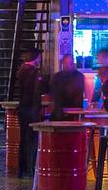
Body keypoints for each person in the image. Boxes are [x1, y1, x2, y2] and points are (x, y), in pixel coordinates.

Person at [15, 46, 44, 180]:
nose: (40, 59)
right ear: (35, 58)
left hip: (22, 108)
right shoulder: (34, 72)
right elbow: (37, 92)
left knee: (23, 139)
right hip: (31, 109)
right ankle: (31, 169)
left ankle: (22, 169)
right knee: (32, 140)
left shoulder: (21, 70)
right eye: (39, 57)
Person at [48, 53, 85, 121]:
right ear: (62, 64)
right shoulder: (56, 77)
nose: (68, 65)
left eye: (70, 63)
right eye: (66, 63)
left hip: (74, 111)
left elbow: (79, 95)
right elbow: (54, 94)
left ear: (73, 63)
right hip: (60, 111)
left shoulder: (79, 76)